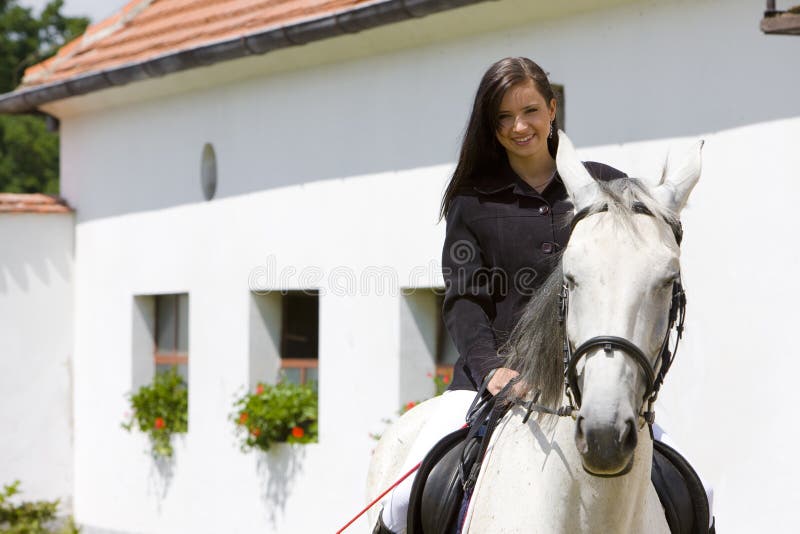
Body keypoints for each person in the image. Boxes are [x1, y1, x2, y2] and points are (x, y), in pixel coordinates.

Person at [373, 57, 627, 534]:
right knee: (403, 501)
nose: (519, 126)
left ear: (553, 110)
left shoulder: (605, 187)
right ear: (490, 128)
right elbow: (464, 300)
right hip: (488, 383)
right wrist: (492, 370)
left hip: (592, 383)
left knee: (696, 486)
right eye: (504, 118)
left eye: (530, 110)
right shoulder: (472, 201)